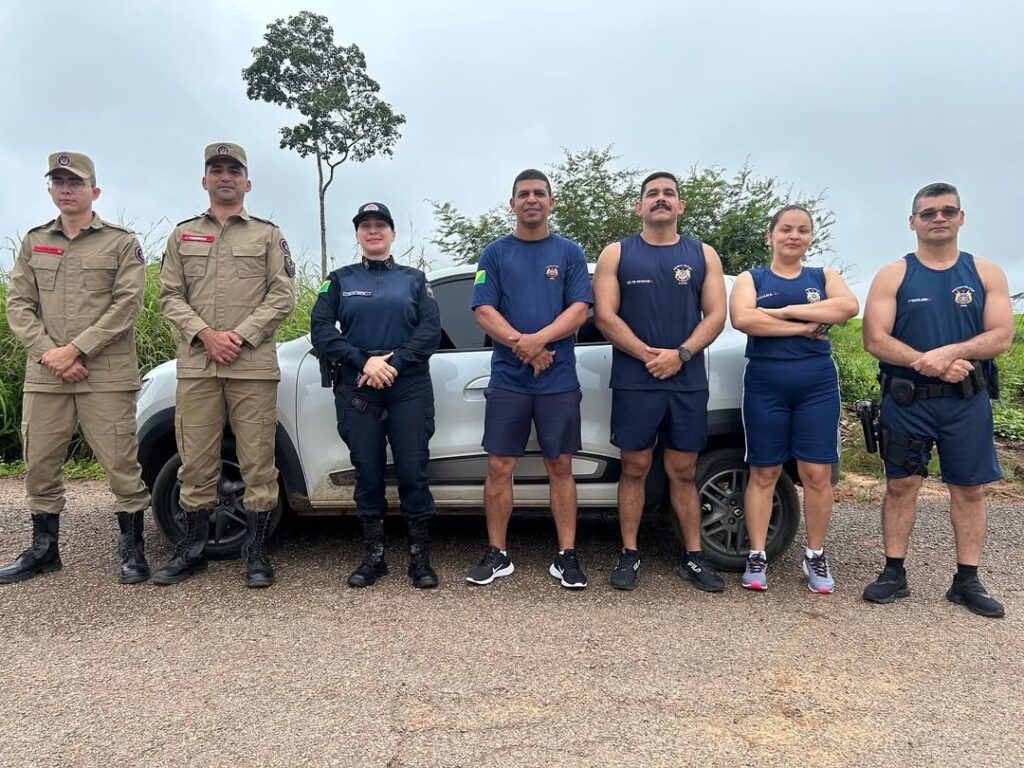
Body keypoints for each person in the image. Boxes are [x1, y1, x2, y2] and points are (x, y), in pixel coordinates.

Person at [861, 183, 1012, 618]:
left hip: (966, 401)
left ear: (962, 218)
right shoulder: (894, 274)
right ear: (913, 222)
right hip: (908, 401)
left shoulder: (985, 273)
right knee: (900, 486)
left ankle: (967, 579)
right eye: (928, 213)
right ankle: (894, 573)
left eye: (948, 211)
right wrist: (929, 363)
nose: (938, 219)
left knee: (968, 490)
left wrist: (951, 354)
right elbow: (875, 338)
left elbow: (1000, 335)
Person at [1, 151, 152, 585]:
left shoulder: (121, 241)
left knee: (121, 462)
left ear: (94, 191)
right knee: (40, 463)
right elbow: (19, 305)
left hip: (103, 373)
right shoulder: (34, 241)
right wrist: (52, 353)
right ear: (50, 189)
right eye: (58, 181)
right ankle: (44, 550)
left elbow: (127, 306)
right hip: (46, 374)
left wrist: (77, 350)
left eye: (75, 182)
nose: (66, 189)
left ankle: (132, 551)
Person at [155, 142, 296, 588]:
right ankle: (192, 548)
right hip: (198, 364)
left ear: (247, 182)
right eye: (216, 170)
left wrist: (238, 336)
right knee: (195, 461)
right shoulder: (182, 235)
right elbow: (168, 296)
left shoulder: (268, 235)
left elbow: (283, 294)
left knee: (257, 459)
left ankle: (255, 552)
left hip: (251, 365)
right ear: (205, 180)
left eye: (233, 170)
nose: (225, 177)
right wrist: (206, 335)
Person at [593, 171, 727, 592]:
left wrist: (681, 354)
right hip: (636, 378)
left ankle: (693, 555)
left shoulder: (703, 254)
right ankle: (630, 554)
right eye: (652, 194)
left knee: (684, 470)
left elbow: (717, 316)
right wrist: (647, 355)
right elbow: (605, 316)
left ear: (680, 205)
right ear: (639, 206)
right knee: (634, 467)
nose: (661, 199)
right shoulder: (616, 253)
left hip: (686, 377)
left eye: (669, 193)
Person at [465, 169, 593, 589]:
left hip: (557, 378)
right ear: (512, 203)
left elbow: (580, 309)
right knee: (500, 464)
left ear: (551, 202)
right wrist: (525, 345)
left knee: (560, 464)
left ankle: (566, 556)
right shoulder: (495, 254)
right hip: (509, 378)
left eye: (539, 193)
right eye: (524, 194)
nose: (531, 199)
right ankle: (497, 554)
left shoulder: (570, 253)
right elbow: (484, 310)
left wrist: (538, 341)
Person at [310, 202, 441, 589]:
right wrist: (365, 362)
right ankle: (374, 557)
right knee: (367, 473)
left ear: (392, 234)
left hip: (409, 387)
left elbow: (430, 332)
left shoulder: (415, 280)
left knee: (413, 471)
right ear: (357, 235)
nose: (373, 231)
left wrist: (393, 363)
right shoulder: (338, 280)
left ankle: (420, 560)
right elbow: (320, 329)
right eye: (365, 226)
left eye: (380, 225)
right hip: (358, 387)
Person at [729, 205, 859, 593]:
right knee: (764, 471)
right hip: (766, 381)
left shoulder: (823, 276)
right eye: (786, 229)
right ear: (770, 235)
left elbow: (847, 307)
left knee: (816, 474)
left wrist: (783, 312)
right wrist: (804, 327)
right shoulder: (752, 278)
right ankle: (757, 555)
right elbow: (744, 319)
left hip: (816, 384)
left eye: (802, 230)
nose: (794, 236)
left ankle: (815, 555)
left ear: (809, 237)